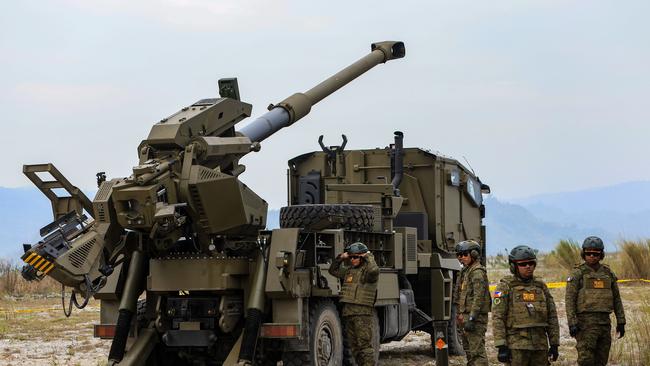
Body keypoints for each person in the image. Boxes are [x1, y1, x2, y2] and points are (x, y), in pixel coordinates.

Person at [492, 245, 560, 365]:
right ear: (514, 266)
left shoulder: (540, 286)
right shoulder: (505, 287)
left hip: (540, 346)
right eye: (523, 264)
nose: (528, 266)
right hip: (516, 346)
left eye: (531, 263)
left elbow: (552, 316)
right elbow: (498, 317)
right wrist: (501, 345)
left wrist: (554, 344)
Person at [565, 236, 626, 366]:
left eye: (596, 253)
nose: (592, 256)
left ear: (601, 254)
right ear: (583, 254)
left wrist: (621, 321)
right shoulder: (578, 274)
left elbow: (616, 298)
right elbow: (570, 299)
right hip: (585, 325)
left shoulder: (608, 273)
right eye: (588, 253)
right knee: (586, 360)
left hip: (604, 324)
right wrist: (572, 322)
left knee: (601, 360)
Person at [328, 242, 379, 366]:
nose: (352, 260)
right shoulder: (349, 271)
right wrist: (341, 257)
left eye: (355, 257)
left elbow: (373, 269)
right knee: (355, 348)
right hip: (349, 313)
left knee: (365, 346)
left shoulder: (369, 273)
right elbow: (332, 270)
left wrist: (368, 255)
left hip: (362, 314)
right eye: (351, 257)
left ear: (362, 257)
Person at [453, 240, 491, 366]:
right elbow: (460, 295)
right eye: (459, 255)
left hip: (475, 318)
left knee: (477, 353)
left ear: (474, 254)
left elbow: (478, 298)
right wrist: (459, 314)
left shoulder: (477, 272)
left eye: (464, 254)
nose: (461, 257)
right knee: (469, 352)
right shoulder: (465, 272)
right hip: (465, 317)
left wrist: (472, 318)